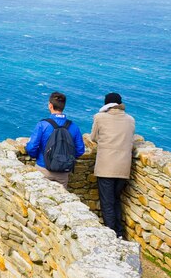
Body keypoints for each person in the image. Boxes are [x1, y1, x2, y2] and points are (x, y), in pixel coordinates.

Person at [91, 92, 135, 239]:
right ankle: (120, 233)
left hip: (106, 167)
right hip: (123, 168)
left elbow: (93, 137)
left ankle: (111, 235)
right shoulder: (130, 120)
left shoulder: (99, 117)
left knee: (107, 202)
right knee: (116, 200)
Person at [25, 91, 85, 188]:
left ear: (50, 105)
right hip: (63, 173)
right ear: (63, 106)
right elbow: (80, 150)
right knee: (60, 200)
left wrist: (38, 157)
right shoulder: (74, 126)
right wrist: (65, 159)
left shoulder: (43, 125)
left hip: (43, 168)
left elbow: (32, 147)